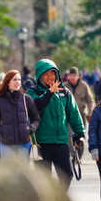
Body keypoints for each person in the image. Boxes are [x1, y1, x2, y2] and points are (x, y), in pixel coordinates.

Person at [26, 59, 85, 188]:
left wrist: (79, 133)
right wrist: (49, 93)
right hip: (41, 143)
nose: (50, 77)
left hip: (61, 141)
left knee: (67, 175)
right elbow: (35, 107)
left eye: (52, 73)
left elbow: (74, 114)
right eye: (45, 74)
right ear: (39, 76)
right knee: (44, 180)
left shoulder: (65, 93)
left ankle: (59, 200)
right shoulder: (32, 92)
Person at [0, 70, 40, 159]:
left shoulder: (26, 99)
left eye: (19, 80)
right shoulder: (0, 101)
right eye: (14, 79)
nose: (17, 82)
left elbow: (36, 118)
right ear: (8, 82)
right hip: (7, 144)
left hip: (25, 143)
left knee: (23, 172)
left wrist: (30, 129)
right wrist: (3, 132)